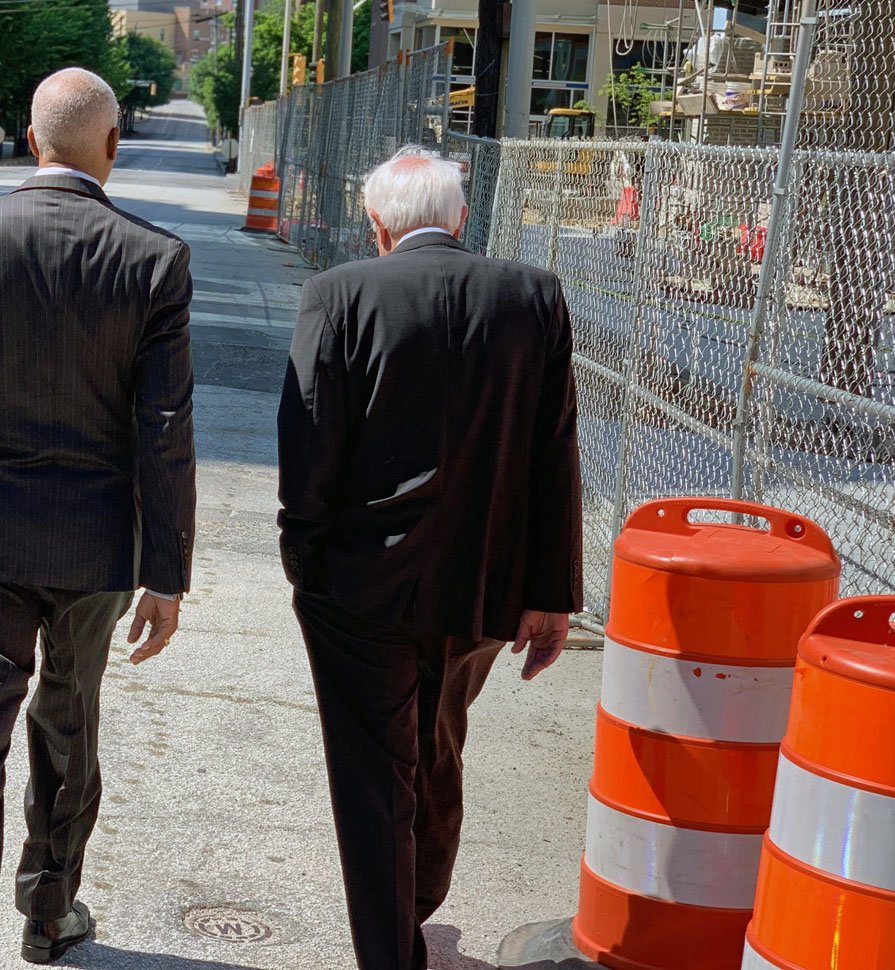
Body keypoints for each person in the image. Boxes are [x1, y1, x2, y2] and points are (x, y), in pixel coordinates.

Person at [0, 67, 196, 970]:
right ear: (113, 147)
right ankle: (48, 915)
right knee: (69, 719)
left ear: (30, 140)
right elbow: (165, 427)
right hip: (99, 542)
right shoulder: (154, 259)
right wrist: (167, 572)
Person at [277, 147, 582, 970]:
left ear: (377, 226)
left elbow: (308, 440)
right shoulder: (533, 296)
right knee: (440, 745)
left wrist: (304, 560)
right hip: (484, 586)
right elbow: (554, 452)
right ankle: (417, 900)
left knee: (374, 776)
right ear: (460, 218)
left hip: (360, 588)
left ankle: (393, 942)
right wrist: (551, 592)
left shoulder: (338, 294)